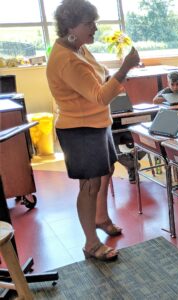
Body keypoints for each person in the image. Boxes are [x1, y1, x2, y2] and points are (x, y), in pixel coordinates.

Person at [46, 0, 140, 261]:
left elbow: (98, 77)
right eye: (90, 24)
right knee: (89, 185)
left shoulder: (78, 48)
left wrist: (114, 76)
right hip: (80, 129)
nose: (95, 29)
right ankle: (90, 242)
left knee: (106, 171)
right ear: (70, 26)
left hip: (96, 124)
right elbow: (100, 96)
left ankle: (100, 217)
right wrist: (125, 68)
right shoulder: (68, 60)